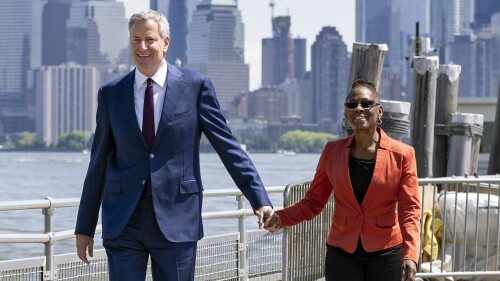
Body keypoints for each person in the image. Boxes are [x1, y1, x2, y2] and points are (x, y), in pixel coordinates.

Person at [74, 9, 273, 281]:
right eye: (135, 40)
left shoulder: (195, 86)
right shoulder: (111, 93)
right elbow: (97, 162)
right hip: (123, 221)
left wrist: (259, 199)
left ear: (165, 43)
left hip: (178, 218)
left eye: (149, 39)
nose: (141, 47)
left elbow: (229, 148)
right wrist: (84, 226)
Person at [265, 79, 421, 281]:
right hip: (342, 252)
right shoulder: (332, 152)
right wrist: (281, 218)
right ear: (346, 112)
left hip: (387, 251)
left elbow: (410, 210)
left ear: (379, 111)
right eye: (352, 104)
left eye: (366, 104)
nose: (358, 108)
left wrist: (410, 255)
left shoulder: (403, 154)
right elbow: (314, 201)